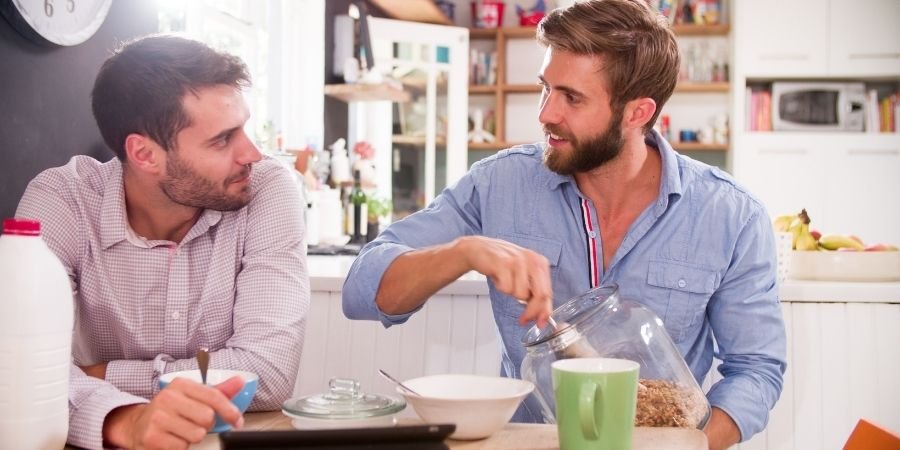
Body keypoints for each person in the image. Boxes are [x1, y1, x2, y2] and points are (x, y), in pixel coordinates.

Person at [342, 1, 786, 448]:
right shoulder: (500, 183)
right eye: (546, 88)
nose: (546, 113)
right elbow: (364, 287)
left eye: (571, 97)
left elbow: (755, 369)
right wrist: (464, 251)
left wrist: (691, 445)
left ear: (638, 113)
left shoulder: (732, 215)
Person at [16, 35, 309, 450]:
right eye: (222, 139)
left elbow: (269, 370)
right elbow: (20, 367)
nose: (253, 154)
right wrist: (124, 420)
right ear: (144, 154)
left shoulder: (268, 190)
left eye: (244, 127)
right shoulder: (64, 200)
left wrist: (100, 377)